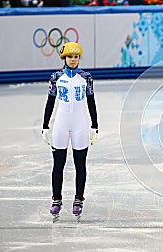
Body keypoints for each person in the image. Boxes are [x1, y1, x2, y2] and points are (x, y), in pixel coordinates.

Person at [42, 42, 98, 219]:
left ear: (79, 58)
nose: (73, 60)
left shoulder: (86, 77)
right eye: (69, 57)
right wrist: (45, 126)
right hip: (61, 124)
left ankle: (78, 199)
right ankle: (56, 199)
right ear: (63, 58)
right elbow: (50, 102)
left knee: (80, 164)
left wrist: (94, 125)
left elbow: (91, 102)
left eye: (76, 57)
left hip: (80, 124)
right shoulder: (56, 77)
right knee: (58, 164)